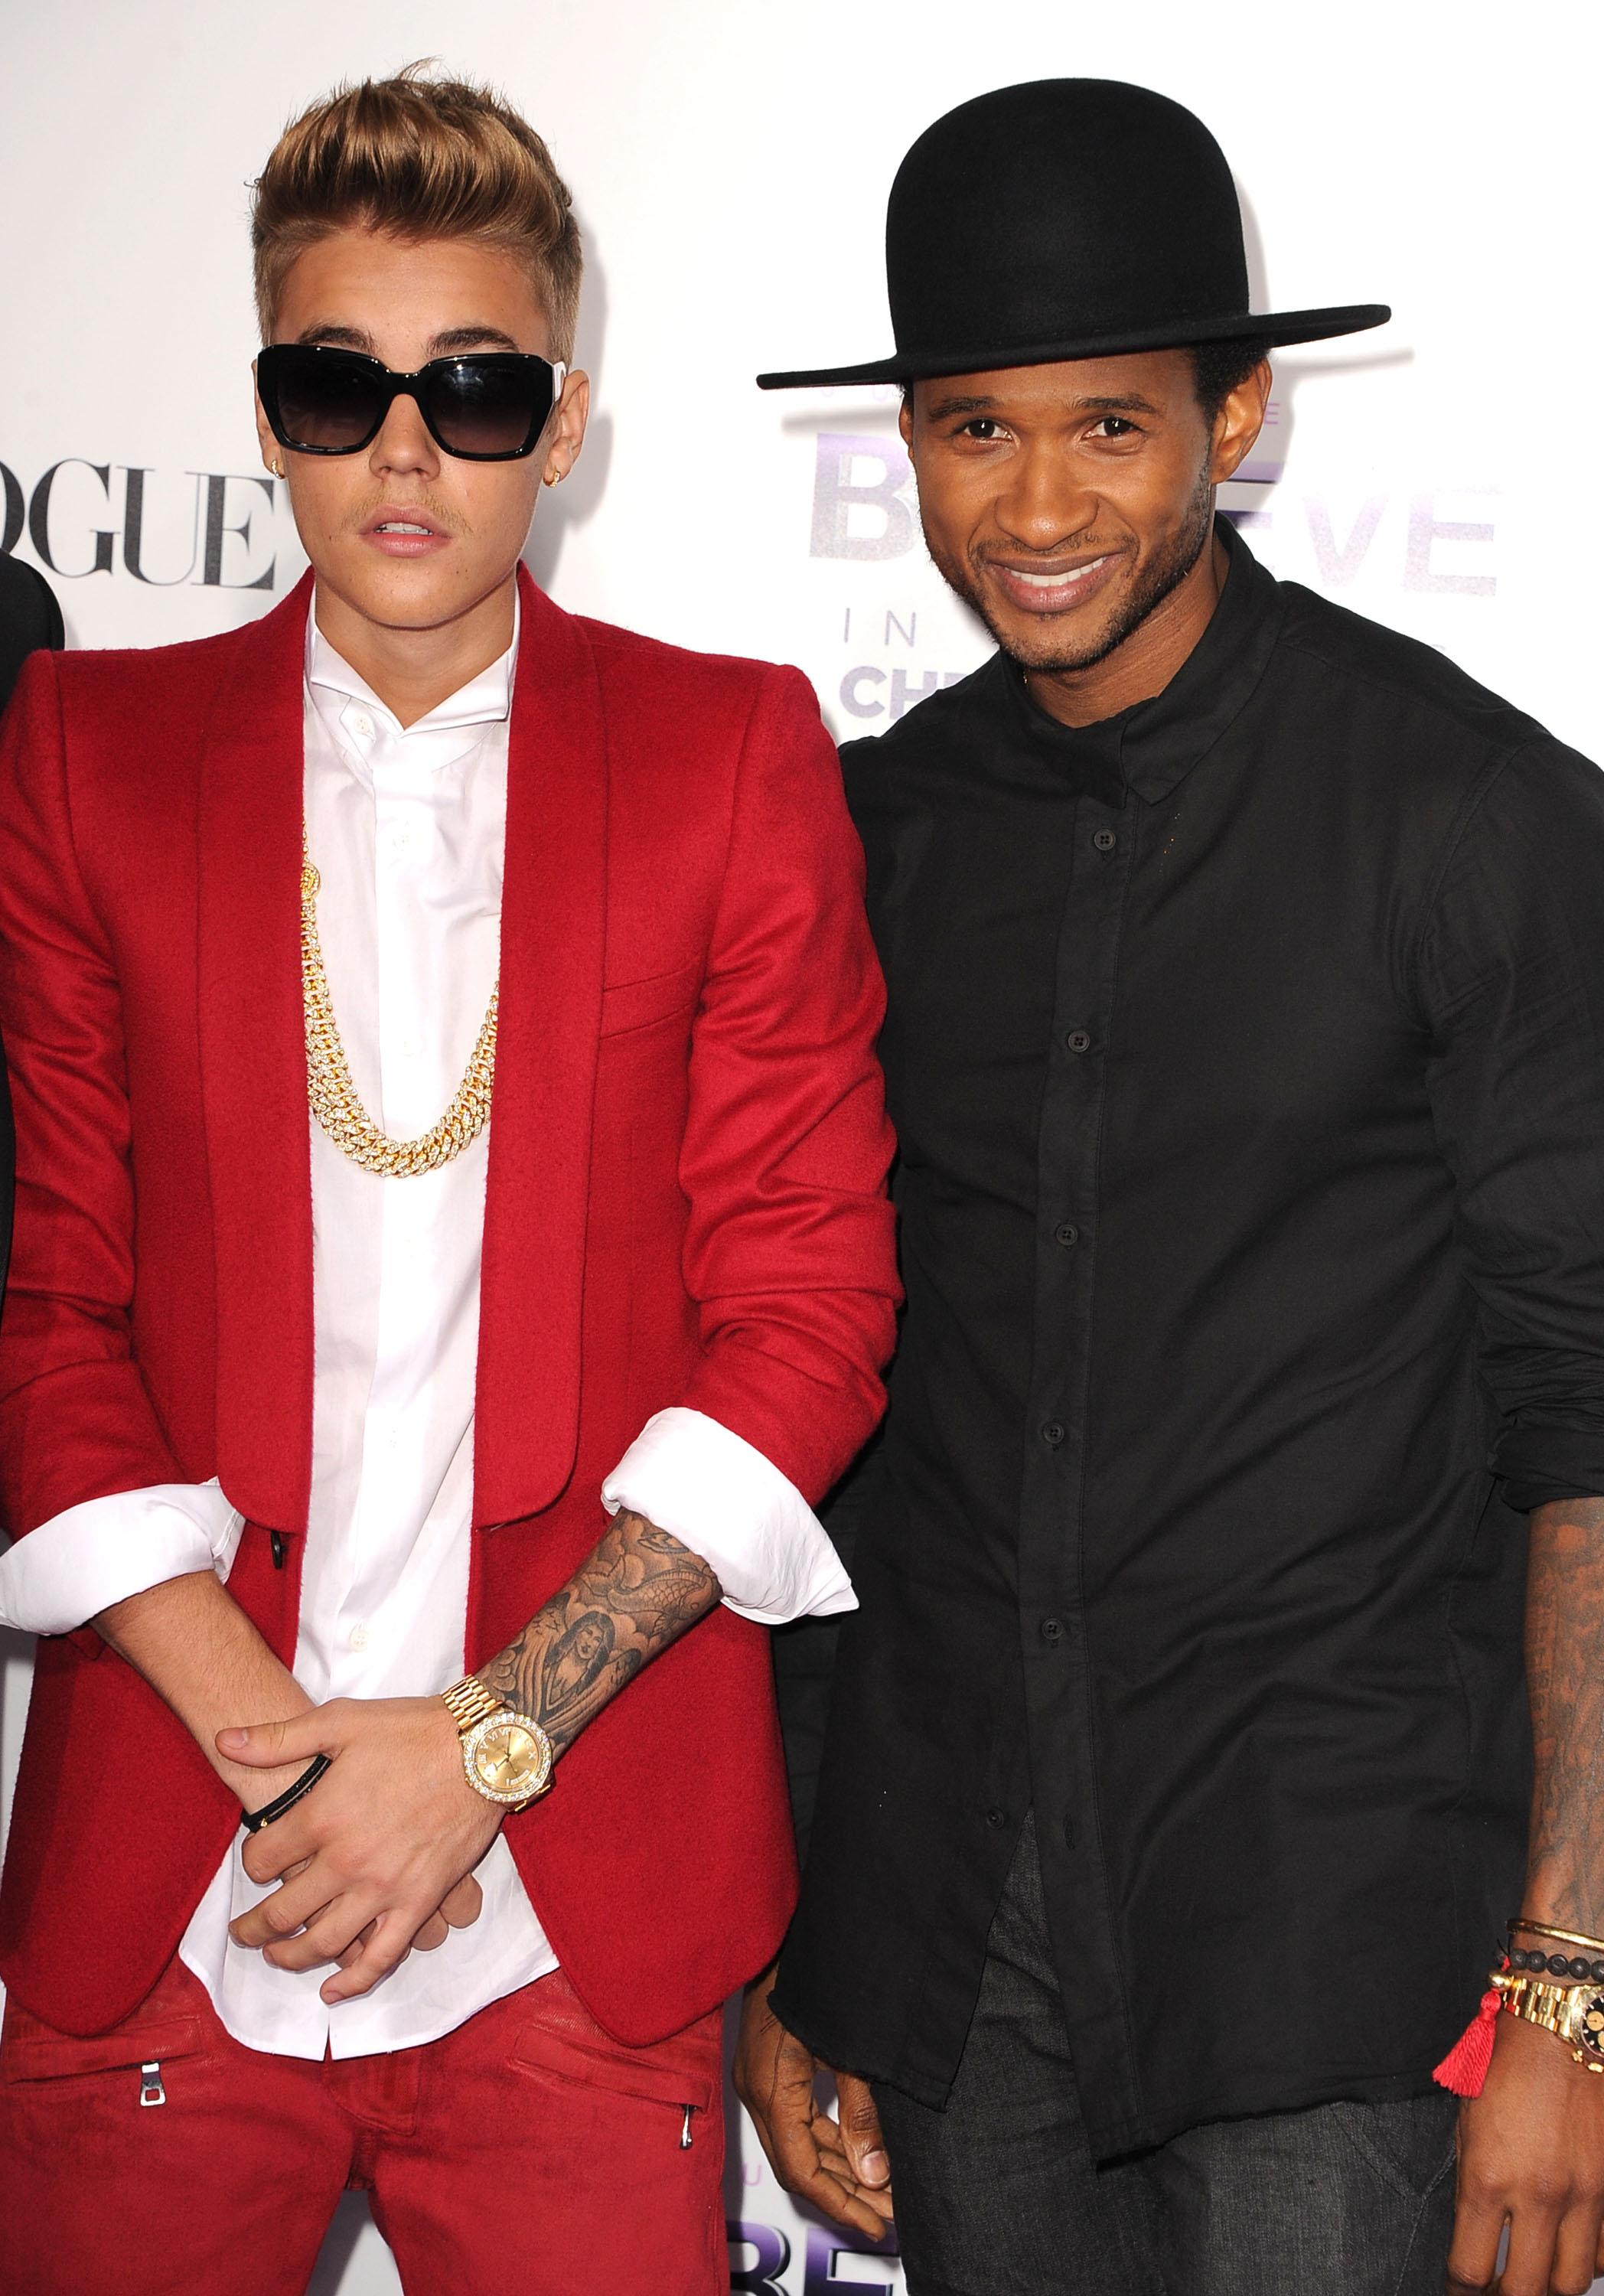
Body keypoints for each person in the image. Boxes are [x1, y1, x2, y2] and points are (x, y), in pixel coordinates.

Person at [0, 69, 898, 2296]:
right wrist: (278, 1749)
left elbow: (807, 1303)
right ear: (270, 408)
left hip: (576, 1911)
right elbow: (44, 1295)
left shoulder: (729, 754)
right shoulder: (84, 757)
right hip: (168, 1896)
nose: (407, 452)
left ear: (565, 418)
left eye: (475, 390)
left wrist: (486, 1746)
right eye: (343, 384)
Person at [738, 77, 1604, 2296]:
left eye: (1109, 427)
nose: (1035, 501)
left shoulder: (1473, 820)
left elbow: (1589, 1440)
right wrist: (798, 1940)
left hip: (1327, 1928)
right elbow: (822, 1427)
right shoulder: (868, 837)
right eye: (972, 427)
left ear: (1237, 416)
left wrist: (1572, 1987)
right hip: (948, 1947)